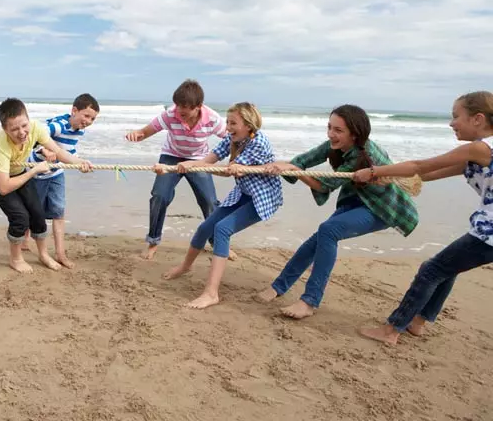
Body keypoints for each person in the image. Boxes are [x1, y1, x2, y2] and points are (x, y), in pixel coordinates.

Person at [353, 91, 493, 345]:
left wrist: (373, 170)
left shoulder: (480, 148)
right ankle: (418, 323)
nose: (451, 123)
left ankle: (392, 329)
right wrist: (388, 176)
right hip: (488, 230)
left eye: (456, 116)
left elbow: (419, 166)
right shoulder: (479, 153)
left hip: (489, 232)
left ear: (478, 119)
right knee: (447, 268)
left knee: (431, 270)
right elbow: (426, 175)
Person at [255, 105, 419, 319]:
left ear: (355, 134)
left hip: (382, 208)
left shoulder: (364, 156)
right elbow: (304, 160)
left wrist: (297, 171)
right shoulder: (335, 145)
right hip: (357, 200)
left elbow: (323, 185)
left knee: (328, 230)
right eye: (329, 127)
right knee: (318, 239)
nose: (331, 134)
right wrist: (283, 165)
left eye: (338, 130)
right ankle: (278, 287)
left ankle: (309, 301)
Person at [163, 102, 282, 308]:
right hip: (243, 192)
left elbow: (228, 170)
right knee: (205, 228)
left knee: (222, 230)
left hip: (262, 198)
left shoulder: (258, 142)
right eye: (227, 122)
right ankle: (185, 267)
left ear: (248, 125)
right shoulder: (233, 138)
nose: (227, 127)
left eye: (233, 123)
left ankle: (211, 293)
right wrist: (186, 165)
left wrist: (193, 166)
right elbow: (210, 159)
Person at [0, 98, 92, 273]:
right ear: (4, 129)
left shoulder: (36, 128)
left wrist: (80, 162)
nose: (22, 132)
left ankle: (43, 254)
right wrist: (33, 171)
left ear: (28, 119)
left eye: (24, 125)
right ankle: (15, 259)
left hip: (17, 171)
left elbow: (58, 151)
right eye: (14, 129)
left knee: (37, 212)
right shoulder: (0, 144)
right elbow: (4, 187)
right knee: (20, 217)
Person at [125, 79, 227, 260]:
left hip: (198, 160)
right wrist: (136, 135)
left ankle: (217, 243)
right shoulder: (170, 114)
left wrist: (238, 158)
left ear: (198, 106)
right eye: (178, 105)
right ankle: (153, 241)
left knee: (209, 201)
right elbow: (145, 132)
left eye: (185, 107)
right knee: (159, 196)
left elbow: (231, 138)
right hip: (171, 156)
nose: (180, 111)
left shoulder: (212, 119)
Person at [20, 93, 100, 267]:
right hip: (37, 172)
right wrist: (43, 150)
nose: (88, 121)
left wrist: (80, 163)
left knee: (58, 211)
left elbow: (68, 151)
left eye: (92, 119)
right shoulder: (57, 126)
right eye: (86, 116)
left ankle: (60, 253)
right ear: (74, 110)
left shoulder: (80, 131)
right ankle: (24, 238)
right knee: (33, 211)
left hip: (56, 173)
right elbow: (33, 136)